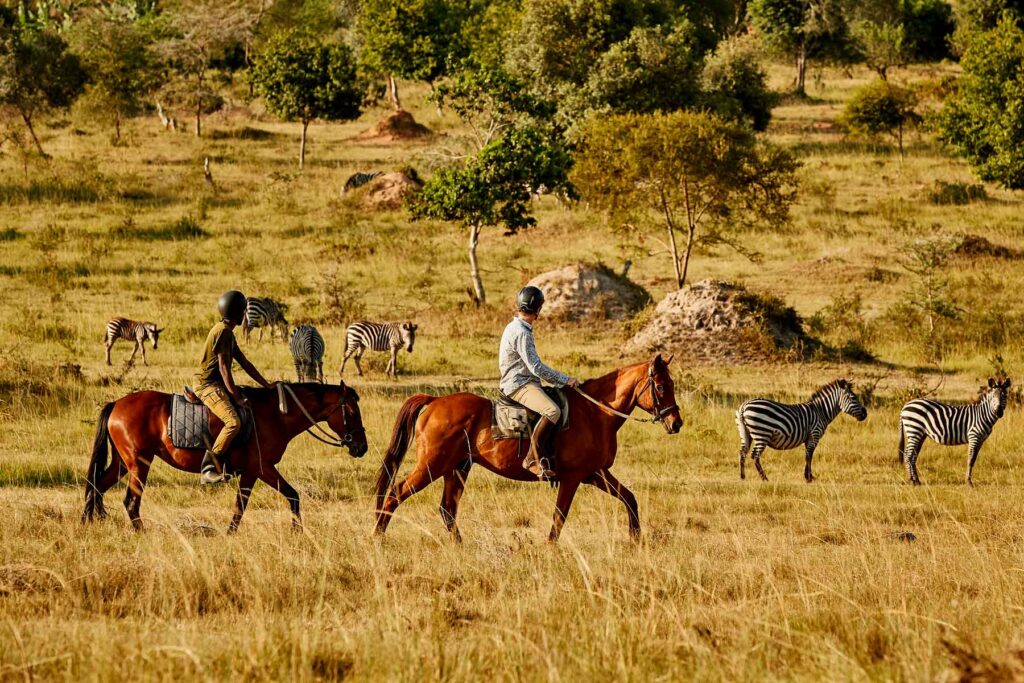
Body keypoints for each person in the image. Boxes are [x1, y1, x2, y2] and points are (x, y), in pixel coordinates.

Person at [499, 286, 581, 480]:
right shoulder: (522, 332)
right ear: (537, 309)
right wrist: (565, 380)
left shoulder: (515, 326)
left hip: (524, 381)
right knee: (553, 411)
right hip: (519, 384)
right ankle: (531, 460)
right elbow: (536, 367)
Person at [194, 290, 273, 485]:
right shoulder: (223, 332)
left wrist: (267, 385)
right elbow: (223, 368)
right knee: (233, 422)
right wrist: (236, 397)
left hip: (216, 383)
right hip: (208, 386)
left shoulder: (226, 331)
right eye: (243, 311)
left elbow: (245, 363)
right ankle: (209, 467)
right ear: (238, 313)